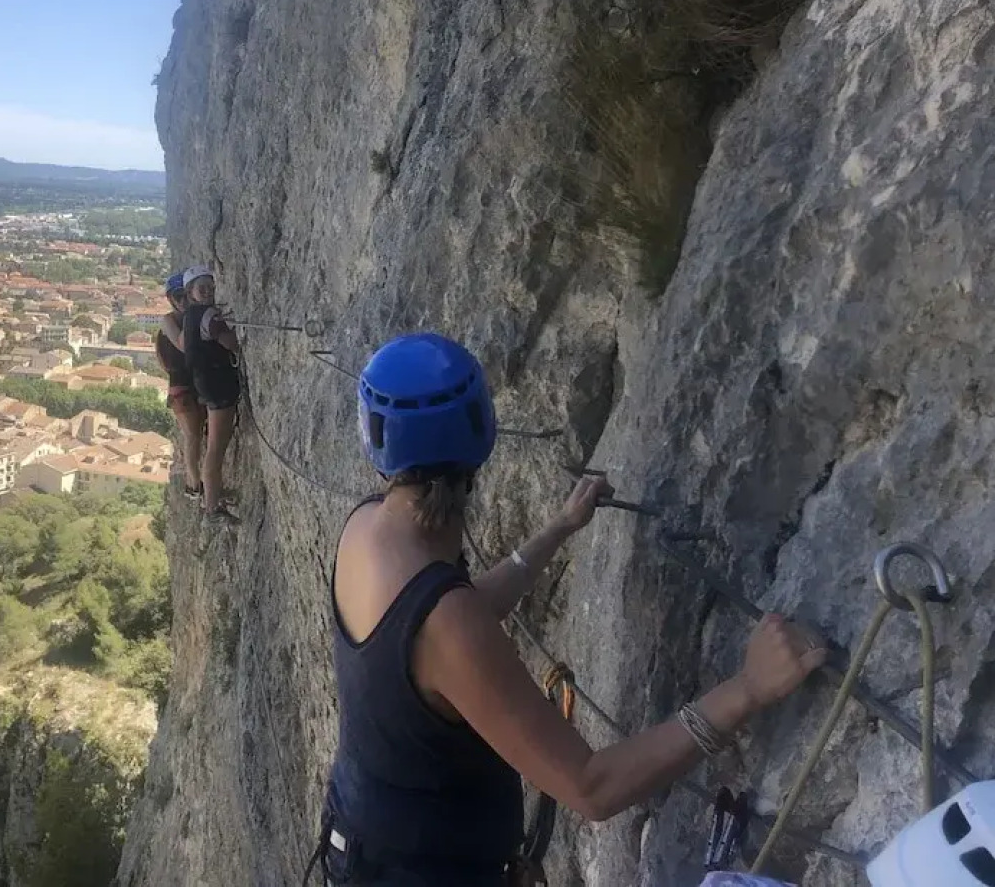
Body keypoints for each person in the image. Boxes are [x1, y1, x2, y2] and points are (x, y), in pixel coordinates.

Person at [312, 333, 830, 887]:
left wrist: (559, 529)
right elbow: (593, 787)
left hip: (372, 848)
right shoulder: (444, 621)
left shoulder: (367, 527)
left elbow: (446, 635)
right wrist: (747, 690)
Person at [177, 264, 241, 524]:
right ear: (191, 291)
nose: (207, 292)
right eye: (202, 288)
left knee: (214, 446)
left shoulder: (190, 316)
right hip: (218, 384)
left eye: (209, 287)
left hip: (205, 383)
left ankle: (212, 499)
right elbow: (231, 343)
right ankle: (212, 509)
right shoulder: (208, 315)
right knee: (216, 447)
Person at [157, 272, 204, 500]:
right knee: (192, 436)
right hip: (182, 388)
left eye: (187, 295)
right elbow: (184, 346)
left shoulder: (185, 318)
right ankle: (193, 485)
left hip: (190, 386)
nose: (184, 301)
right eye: (179, 297)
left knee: (196, 436)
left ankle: (194, 482)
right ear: (172, 299)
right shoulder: (170, 321)